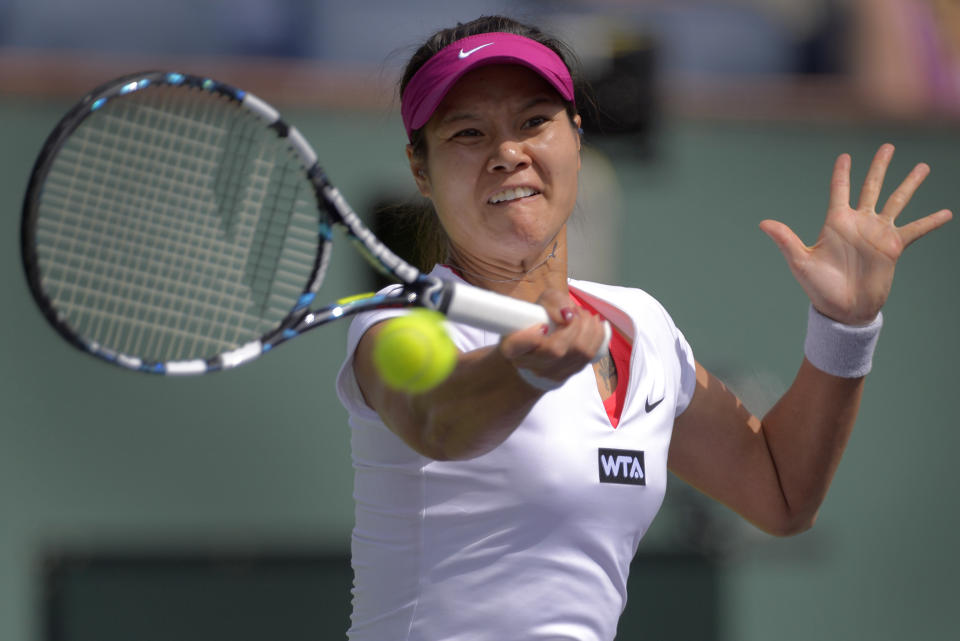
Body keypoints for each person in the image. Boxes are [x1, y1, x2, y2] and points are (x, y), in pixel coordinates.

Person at [335, 15, 952, 641]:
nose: (507, 154)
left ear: (577, 137)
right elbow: (438, 422)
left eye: (533, 122)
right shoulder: (397, 321)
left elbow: (781, 493)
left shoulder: (642, 324)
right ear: (420, 168)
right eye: (469, 133)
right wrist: (521, 369)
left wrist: (845, 325)